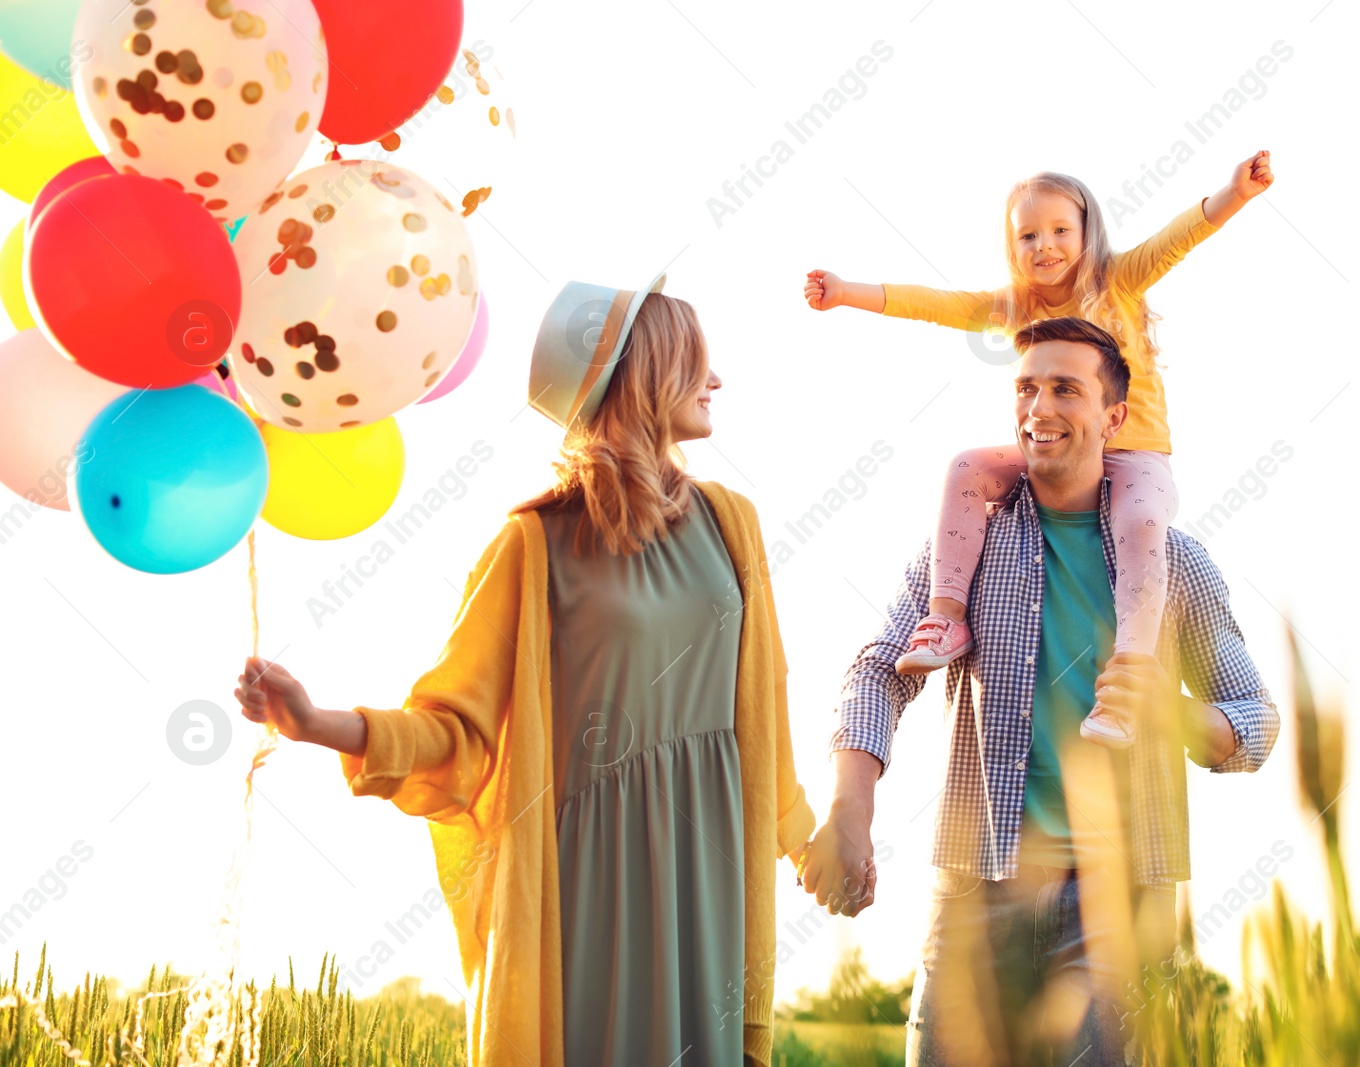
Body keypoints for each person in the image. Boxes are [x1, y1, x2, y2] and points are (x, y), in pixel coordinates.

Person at [235, 273, 815, 1067]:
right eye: (696, 361)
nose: (716, 380)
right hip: (590, 881)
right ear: (645, 374)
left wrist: (814, 841)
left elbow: (768, 708)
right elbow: (454, 730)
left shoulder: (731, 522)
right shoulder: (533, 546)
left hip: (705, 867)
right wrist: (314, 723)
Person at [801, 316, 1280, 1066]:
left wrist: (1171, 713)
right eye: (1026, 387)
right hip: (974, 889)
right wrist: (849, 808)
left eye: (1065, 388)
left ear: (1114, 416)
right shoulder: (965, 545)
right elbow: (877, 671)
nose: (1040, 409)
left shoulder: (1174, 563)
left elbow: (1257, 721)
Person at [802, 152, 1275, 751]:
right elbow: (935, 304)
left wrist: (1234, 194)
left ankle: (1129, 679)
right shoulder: (1015, 306)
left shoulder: (1118, 282)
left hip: (1135, 457)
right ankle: (947, 617)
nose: (1043, 245)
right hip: (1055, 450)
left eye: (1058, 231)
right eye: (1027, 235)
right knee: (968, 468)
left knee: (1142, 524)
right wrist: (846, 293)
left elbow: (1176, 239)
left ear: (1087, 234)